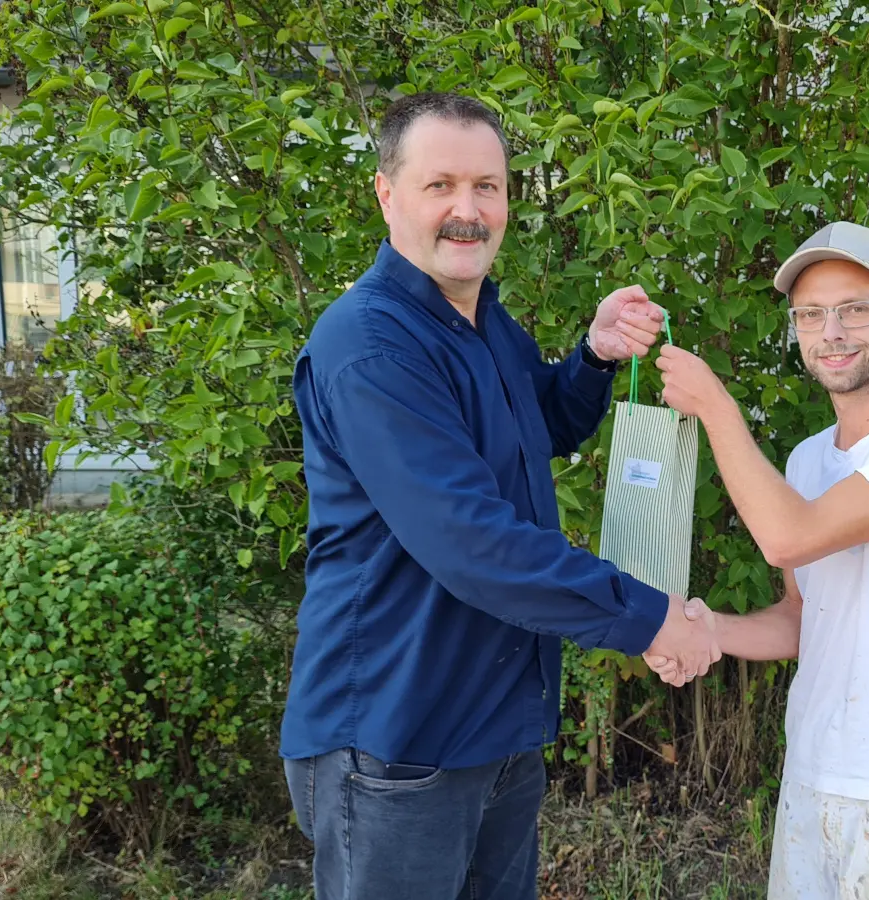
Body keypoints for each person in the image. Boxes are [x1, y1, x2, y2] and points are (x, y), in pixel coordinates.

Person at [278, 91, 720, 900]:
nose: (468, 210)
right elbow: (470, 539)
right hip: (396, 740)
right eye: (439, 184)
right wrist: (652, 617)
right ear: (386, 192)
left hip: (497, 730)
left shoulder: (483, 321)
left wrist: (591, 359)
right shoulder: (369, 346)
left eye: (488, 186)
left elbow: (534, 429)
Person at [646, 221, 869, 899]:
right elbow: (802, 615)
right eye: (811, 314)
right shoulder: (808, 460)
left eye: (855, 308)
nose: (831, 331)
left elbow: (788, 538)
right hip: (812, 776)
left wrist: (717, 409)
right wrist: (706, 630)